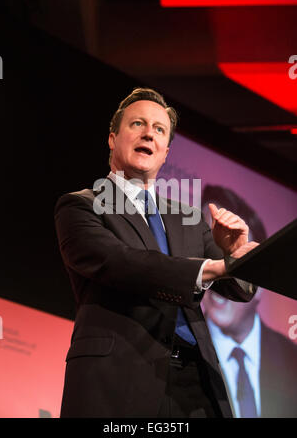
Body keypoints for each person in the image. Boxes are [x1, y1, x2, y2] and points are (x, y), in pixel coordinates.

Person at [54, 88, 258, 418]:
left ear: (164, 153)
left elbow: (238, 288)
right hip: (119, 379)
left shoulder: (188, 218)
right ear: (112, 138)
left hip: (196, 385)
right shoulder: (81, 205)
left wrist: (236, 252)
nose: (149, 132)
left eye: (159, 129)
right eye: (137, 124)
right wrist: (215, 267)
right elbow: (120, 263)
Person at [201, 185, 297, 418]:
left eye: (234, 256)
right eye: (208, 251)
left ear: (261, 282)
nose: (220, 269)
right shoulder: (182, 343)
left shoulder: (291, 359)